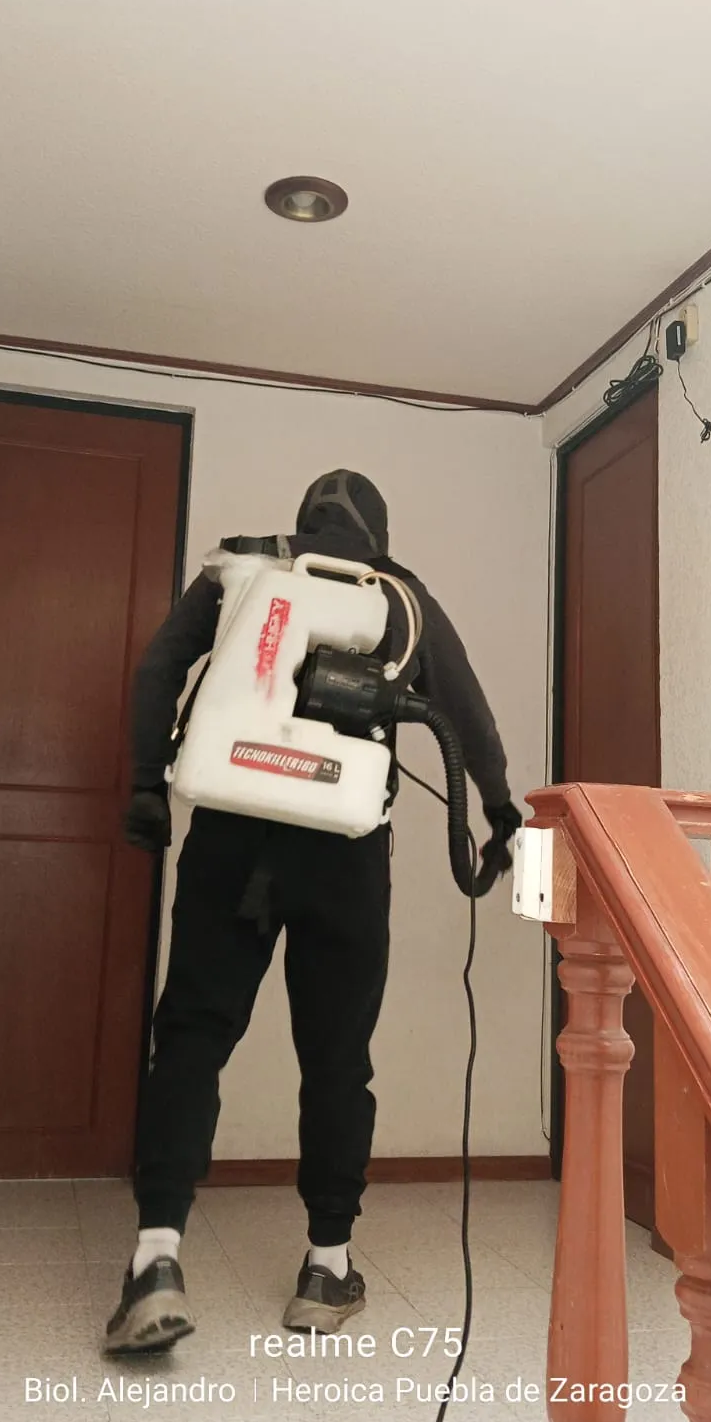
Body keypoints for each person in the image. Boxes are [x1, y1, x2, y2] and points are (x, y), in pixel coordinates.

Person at [103, 469, 521, 1355]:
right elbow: (468, 715)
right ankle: (326, 1268)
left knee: (192, 1038)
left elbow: (156, 672)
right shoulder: (399, 596)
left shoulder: (243, 571)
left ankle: (154, 1259)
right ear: (377, 532)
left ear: (301, 523)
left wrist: (146, 785)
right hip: (346, 848)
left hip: (231, 840)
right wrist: (500, 812)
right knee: (337, 1059)